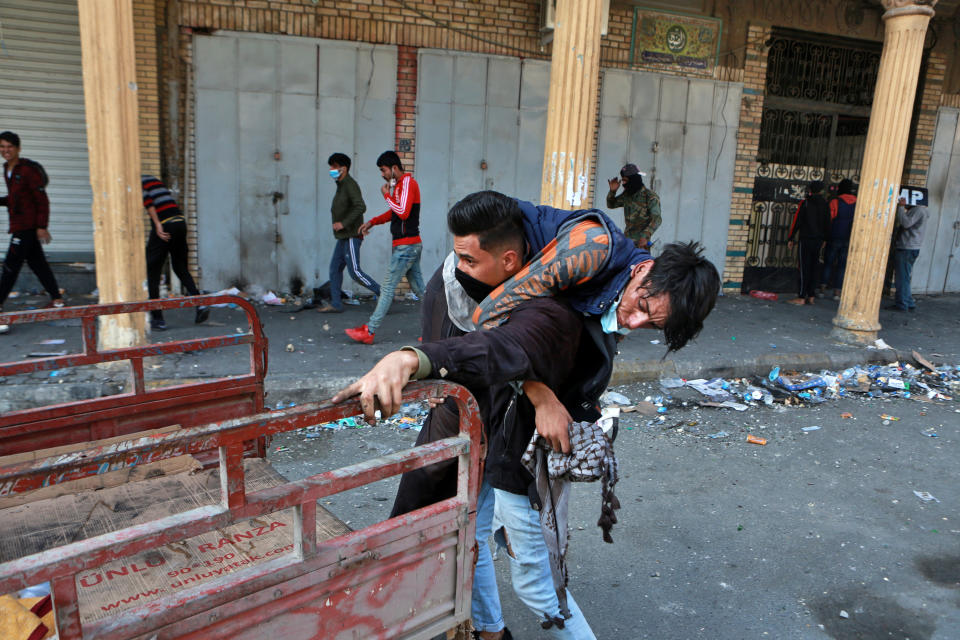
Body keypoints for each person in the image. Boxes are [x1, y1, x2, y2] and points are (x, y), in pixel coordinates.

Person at [340, 191, 720, 639]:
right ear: (643, 270)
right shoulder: (587, 255)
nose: (635, 323)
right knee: (447, 458)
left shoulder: (605, 294)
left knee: (472, 517)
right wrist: (410, 360)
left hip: (499, 365)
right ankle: (411, 591)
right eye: (641, 308)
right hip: (466, 306)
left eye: (652, 324)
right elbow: (495, 324)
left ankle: (486, 627)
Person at [345, 150, 425, 344]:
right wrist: (372, 222)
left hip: (406, 246)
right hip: (408, 245)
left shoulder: (407, 183)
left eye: (383, 170)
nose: (382, 174)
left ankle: (369, 331)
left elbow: (403, 213)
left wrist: (386, 196)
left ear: (394, 168)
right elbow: (394, 213)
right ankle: (441, 327)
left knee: (388, 288)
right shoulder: (400, 186)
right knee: (422, 292)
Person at [0, 131, 64, 335]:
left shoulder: (27, 170)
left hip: (27, 226)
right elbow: (15, 198)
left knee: (10, 266)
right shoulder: (6, 168)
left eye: (9, 147)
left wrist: (41, 226)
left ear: (18, 148)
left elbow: (41, 199)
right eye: (2, 147)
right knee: (38, 263)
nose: (5, 151)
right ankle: (57, 299)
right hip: (19, 223)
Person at [142, 175, 209, 330]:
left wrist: (157, 225)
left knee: (152, 271)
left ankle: (157, 319)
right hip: (180, 222)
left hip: (165, 225)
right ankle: (200, 306)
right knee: (180, 267)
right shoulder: (154, 180)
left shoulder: (137, 183)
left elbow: (149, 204)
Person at [316, 152, 381, 313]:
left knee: (355, 272)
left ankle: (384, 293)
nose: (331, 169)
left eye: (334, 166)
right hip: (344, 237)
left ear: (343, 169)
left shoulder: (349, 185)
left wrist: (343, 223)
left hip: (352, 236)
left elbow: (360, 206)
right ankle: (336, 304)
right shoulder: (341, 185)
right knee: (334, 269)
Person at [786, 180, 830, 306]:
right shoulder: (825, 204)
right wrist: (825, 239)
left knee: (803, 268)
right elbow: (828, 223)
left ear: (810, 190)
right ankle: (811, 296)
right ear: (821, 191)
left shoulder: (805, 203)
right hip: (818, 241)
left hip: (806, 239)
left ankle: (801, 296)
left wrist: (791, 238)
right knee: (814, 267)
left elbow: (797, 222)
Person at [887, 196, 929, 312]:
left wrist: (901, 208)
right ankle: (908, 302)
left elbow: (906, 223)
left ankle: (902, 304)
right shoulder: (920, 210)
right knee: (904, 277)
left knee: (901, 278)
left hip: (907, 248)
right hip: (910, 248)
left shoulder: (918, 210)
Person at [606, 163, 661, 249]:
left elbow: (657, 219)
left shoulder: (650, 196)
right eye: (622, 180)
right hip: (627, 243)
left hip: (641, 244)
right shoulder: (627, 195)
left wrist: (645, 235)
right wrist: (612, 191)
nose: (623, 184)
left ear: (633, 180)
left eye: (625, 180)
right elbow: (611, 204)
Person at [821, 179, 857, 301]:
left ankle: (822, 289)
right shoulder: (857, 202)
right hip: (848, 238)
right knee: (842, 266)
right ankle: (837, 292)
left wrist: (825, 237)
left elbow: (828, 219)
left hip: (834, 236)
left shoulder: (835, 201)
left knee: (828, 263)